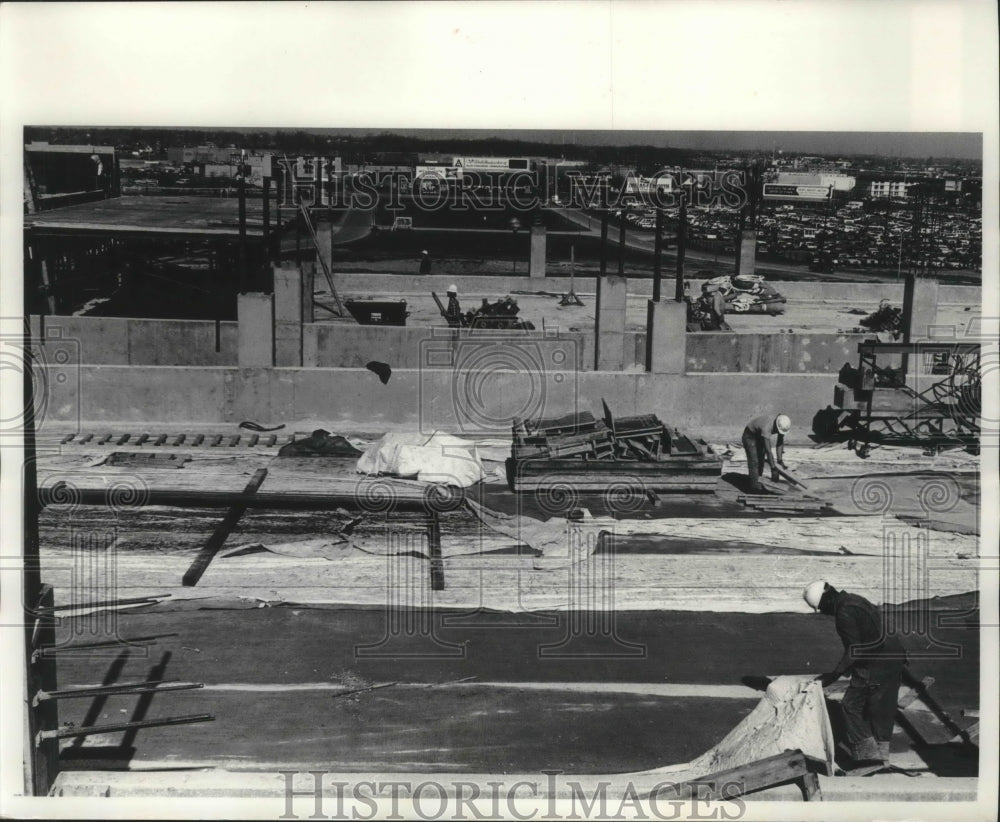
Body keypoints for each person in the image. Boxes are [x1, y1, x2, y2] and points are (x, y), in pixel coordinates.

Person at [804, 581, 907, 765]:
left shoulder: (844, 613)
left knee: (850, 705)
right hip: (893, 656)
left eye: (820, 608)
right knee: (882, 706)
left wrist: (834, 674)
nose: (823, 613)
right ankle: (882, 756)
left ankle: (867, 756)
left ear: (827, 601)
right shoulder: (855, 600)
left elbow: (855, 649)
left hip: (876, 661)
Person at [741, 413, 790, 491]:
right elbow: (768, 451)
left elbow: (780, 443)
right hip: (749, 436)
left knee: (761, 461)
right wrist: (773, 468)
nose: (780, 434)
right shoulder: (767, 427)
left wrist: (780, 461)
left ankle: (757, 482)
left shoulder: (780, 423)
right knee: (754, 461)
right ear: (777, 426)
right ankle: (754, 488)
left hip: (759, 435)